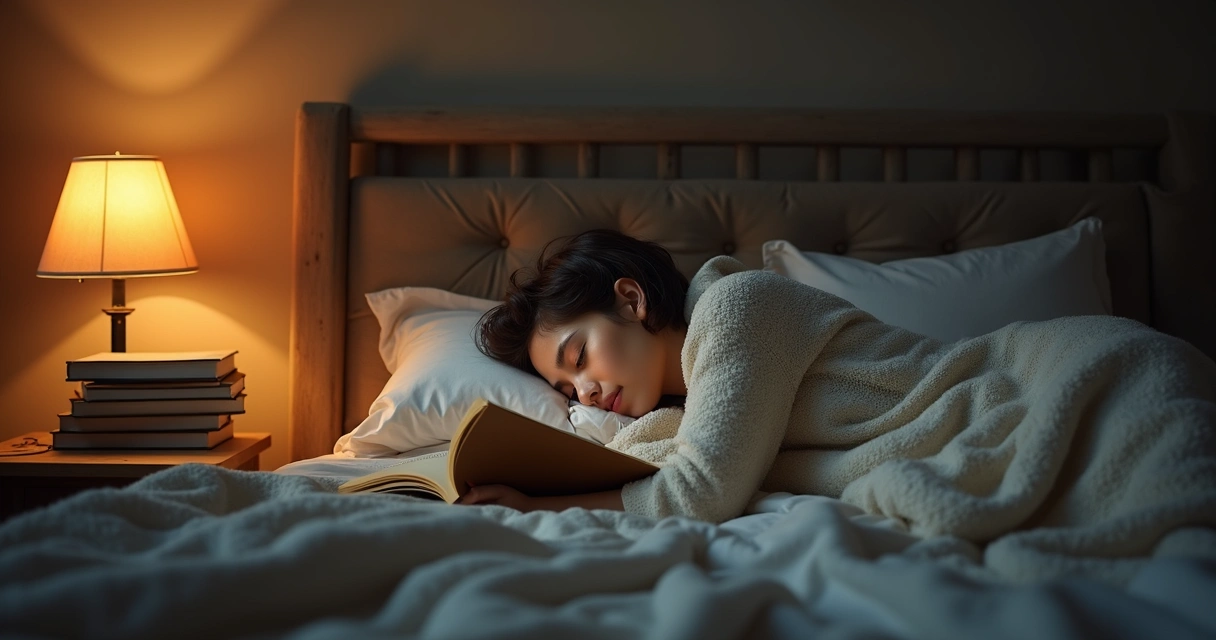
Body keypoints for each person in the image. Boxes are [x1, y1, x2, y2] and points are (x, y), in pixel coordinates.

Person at [465, 228, 913, 521]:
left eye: (579, 356)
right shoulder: (682, 407)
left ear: (630, 299)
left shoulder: (737, 304)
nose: (585, 393)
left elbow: (701, 492)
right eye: (567, 390)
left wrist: (537, 507)